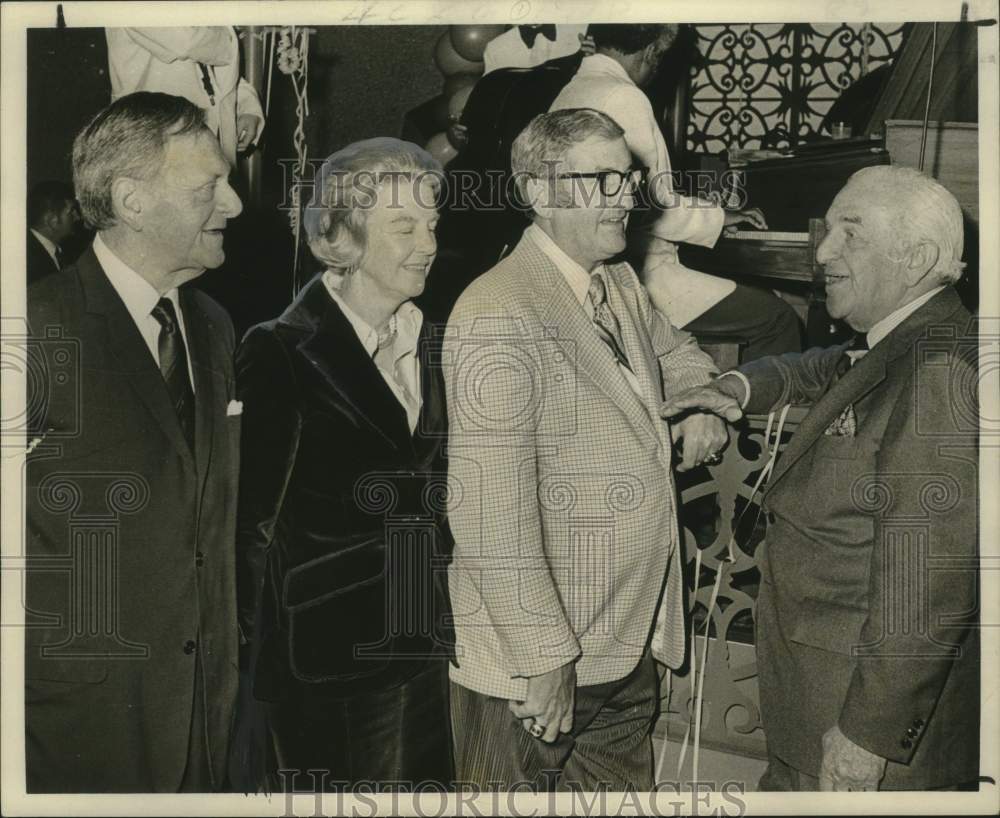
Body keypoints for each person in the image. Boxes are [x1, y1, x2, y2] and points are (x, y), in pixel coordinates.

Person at [661, 165, 979, 791]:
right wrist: (735, 385)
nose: (822, 250)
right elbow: (823, 369)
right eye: (827, 229)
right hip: (817, 699)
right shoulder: (906, 338)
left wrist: (868, 736)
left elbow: (925, 585)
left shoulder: (941, 371)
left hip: (857, 725)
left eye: (849, 234)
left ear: (914, 258)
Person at [444, 108, 726, 790]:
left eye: (627, 177)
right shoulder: (498, 310)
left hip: (623, 643)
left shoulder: (617, 283)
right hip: (535, 661)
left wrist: (698, 401)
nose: (626, 195)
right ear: (540, 193)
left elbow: (680, 353)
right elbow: (487, 512)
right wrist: (545, 657)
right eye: (603, 180)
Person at [25, 92, 244, 792]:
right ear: (132, 200)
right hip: (80, 723)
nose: (235, 204)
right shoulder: (36, 328)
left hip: (205, 713)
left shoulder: (212, 326)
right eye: (210, 186)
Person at [234, 138, 455, 790]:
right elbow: (254, 525)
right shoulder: (281, 351)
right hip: (325, 655)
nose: (428, 243)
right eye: (404, 227)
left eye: (433, 225)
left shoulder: (435, 339)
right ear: (343, 239)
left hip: (425, 635)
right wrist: (253, 664)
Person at [551, 23, 802, 362]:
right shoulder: (624, 96)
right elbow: (645, 208)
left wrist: (714, 216)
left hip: (588, 273)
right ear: (652, 51)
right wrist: (717, 218)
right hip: (642, 280)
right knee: (777, 318)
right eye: (661, 58)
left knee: (753, 295)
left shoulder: (571, 90)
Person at [106, 27, 265, 166]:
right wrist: (230, 39)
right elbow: (187, 42)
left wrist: (246, 104)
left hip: (205, 138)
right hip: (155, 141)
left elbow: (205, 64)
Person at [26, 181, 81, 283]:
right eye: (71, 211)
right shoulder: (27, 263)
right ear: (52, 221)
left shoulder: (65, 253)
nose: (77, 217)